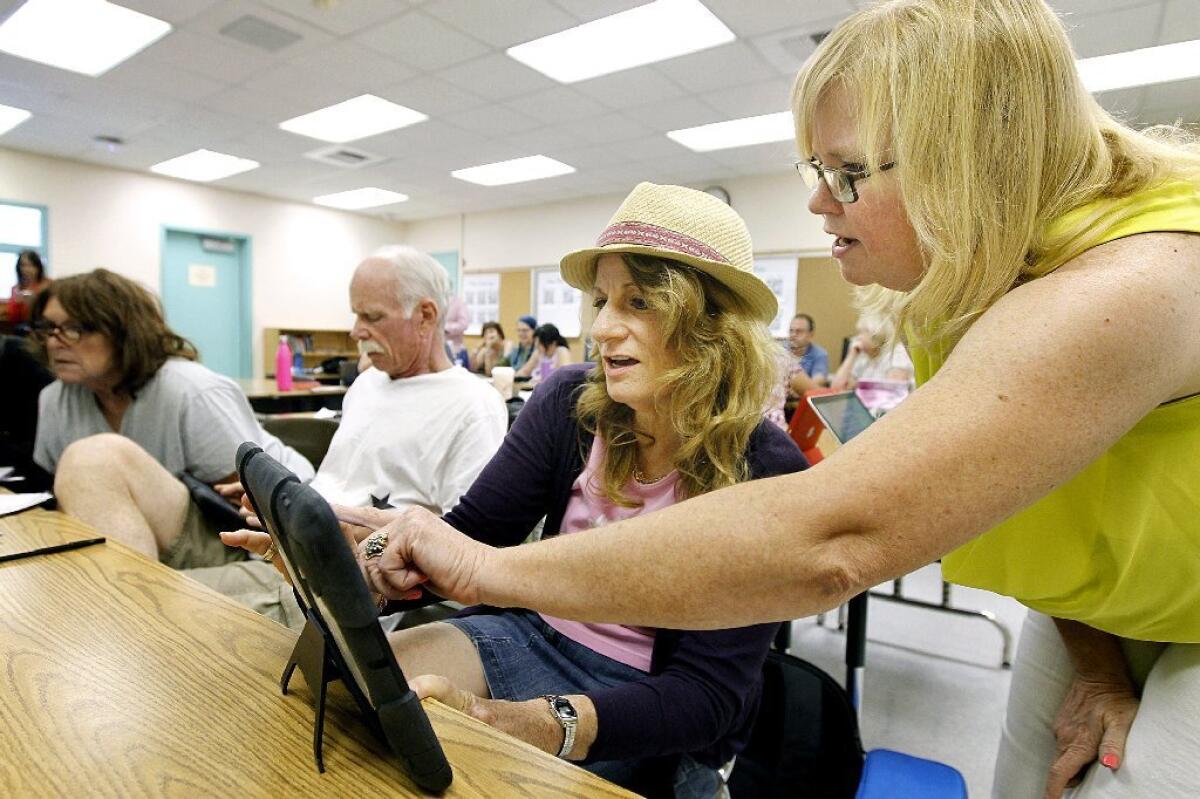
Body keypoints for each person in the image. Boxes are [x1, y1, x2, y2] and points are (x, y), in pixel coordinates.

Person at [349, 3, 1200, 798]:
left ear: (973, 158)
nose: (818, 199)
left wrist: (483, 569)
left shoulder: (1135, 283)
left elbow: (831, 536)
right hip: (1111, 602)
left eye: (850, 171)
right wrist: (1093, 654)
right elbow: (1058, 493)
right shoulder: (971, 285)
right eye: (817, 167)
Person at [232, 183, 807, 797]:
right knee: (356, 701)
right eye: (602, 300)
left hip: (648, 696)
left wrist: (530, 723)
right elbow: (472, 535)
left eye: (638, 303)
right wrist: (357, 570)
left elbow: (706, 696)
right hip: (531, 632)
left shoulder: (766, 470)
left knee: (477, 771)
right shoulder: (567, 403)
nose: (604, 328)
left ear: (711, 328)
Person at [206, 247, 508, 627]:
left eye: (372, 316)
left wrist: (326, 522)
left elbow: (461, 544)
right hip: (289, 558)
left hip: (342, 591)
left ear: (425, 317)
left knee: (173, 610)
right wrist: (275, 501)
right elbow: (340, 483)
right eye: (356, 315)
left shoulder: (474, 406)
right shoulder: (366, 385)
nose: (355, 331)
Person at [29, 269, 313, 569]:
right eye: (49, 329)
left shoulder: (193, 391)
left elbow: (248, 509)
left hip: (266, 534)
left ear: (123, 331)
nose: (54, 342)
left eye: (73, 328)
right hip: (168, 530)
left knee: (94, 457)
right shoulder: (55, 398)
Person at [829, 312, 913, 391]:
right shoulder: (863, 357)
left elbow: (893, 393)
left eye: (863, 332)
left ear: (877, 333)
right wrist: (851, 355)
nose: (858, 337)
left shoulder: (897, 353)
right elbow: (837, 387)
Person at [786, 312, 829, 396]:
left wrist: (798, 388)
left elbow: (818, 381)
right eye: (791, 331)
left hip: (802, 399)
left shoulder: (820, 354)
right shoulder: (780, 351)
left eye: (799, 331)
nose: (793, 335)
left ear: (810, 335)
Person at [6, 250, 51, 325]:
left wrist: (36, 302)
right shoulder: (16, 288)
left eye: (31, 265)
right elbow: (13, 319)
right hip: (23, 327)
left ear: (38, 267)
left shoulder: (48, 284)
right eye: (23, 265)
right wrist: (18, 304)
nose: (26, 269)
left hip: (43, 326)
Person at [443, 293, 470, 368]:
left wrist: (445, 328)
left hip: (456, 350)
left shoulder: (457, 302)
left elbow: (464, 323)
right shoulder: (431, 299)